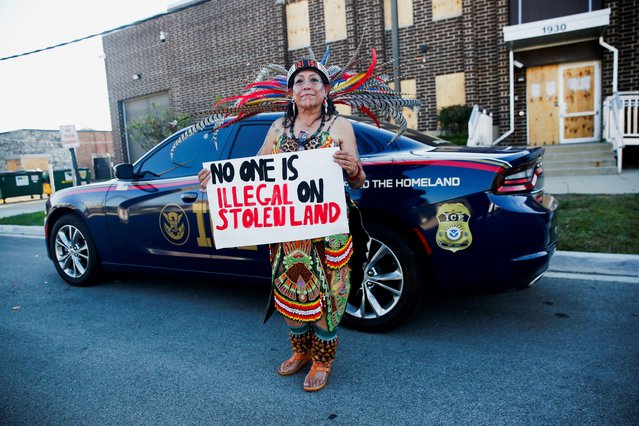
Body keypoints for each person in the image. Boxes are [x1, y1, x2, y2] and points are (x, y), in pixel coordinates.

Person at [198, 59, 366, 392]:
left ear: (326, 90)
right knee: (292, 292)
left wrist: (353, 169)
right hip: (288, 233)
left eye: (315, 80)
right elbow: (253, 173)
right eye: (299, 81)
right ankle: (301, 351)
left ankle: (322, 359)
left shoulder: (340, 126)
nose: (307, 85)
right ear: (290, 93)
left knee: (329, 295)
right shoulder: (276, 129)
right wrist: (217, 181)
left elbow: (359, 180)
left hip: (329, 230)